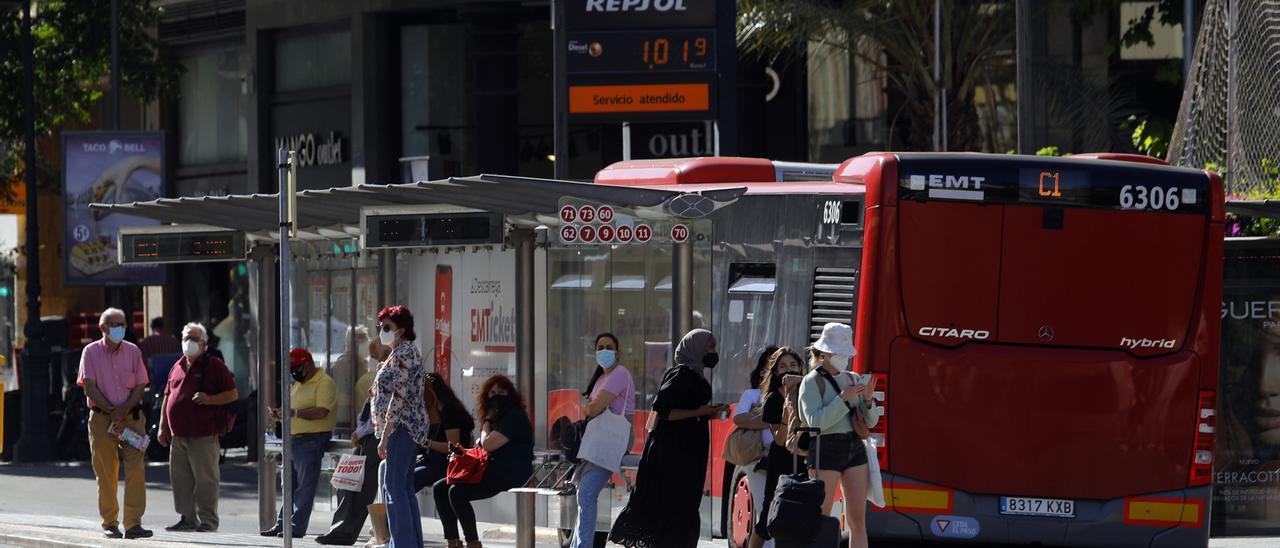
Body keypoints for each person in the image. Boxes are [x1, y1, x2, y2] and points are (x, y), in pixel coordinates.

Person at [609, 329, 727, 548]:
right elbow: (663, 411)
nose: (713, 351)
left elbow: (685, 410)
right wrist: (699, 412)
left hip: (689, 451)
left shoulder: (696, 375)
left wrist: (707, 413)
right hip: (674, 454)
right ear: (696, 347)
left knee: (685, 507)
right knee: (676, 507)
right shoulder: (681, 374)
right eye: (709, 346)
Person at [77, 308, 154, 539]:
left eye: (123, 323)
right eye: (115, 324)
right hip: (102, 418)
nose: (121, 328)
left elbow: (141, 385)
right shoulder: (90, 352)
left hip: (132, 419)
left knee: (136, 469)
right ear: (103, 328)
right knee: (106, 472)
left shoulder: (133, 351)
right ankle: (110, 523)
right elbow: (89, 386)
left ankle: (133, 524)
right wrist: (113, 411)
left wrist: (124, 410)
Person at [799, 323, 876, 548]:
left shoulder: (853, 378)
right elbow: (815, 422)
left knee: (857, 519)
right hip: (825, 447)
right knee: (821, 517)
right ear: (824, 353)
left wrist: (869, 401)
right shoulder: (811, 381)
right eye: (839, 354)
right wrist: (842, 399)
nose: (844, 358)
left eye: (846, 354)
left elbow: (870, 422)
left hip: (854, 445)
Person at [155, 323, 238, 532]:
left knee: (206, 479)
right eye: (185, 338)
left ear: (204, 344)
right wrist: (162, 427)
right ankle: (187, 519)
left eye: (193, 339)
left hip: (203, 433)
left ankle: (208, 521)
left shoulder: (214, 365)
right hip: (178, 435)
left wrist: (210, 399)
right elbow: (168, 397)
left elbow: (232, 393)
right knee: (181, 479)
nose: (188, 343)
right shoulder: (177, 365)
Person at [434, 374, 533, 548]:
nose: (496, 396)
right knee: (440, 488)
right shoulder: (500, 418)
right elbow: (482, 443)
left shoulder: (514, 416)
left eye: (502, 391)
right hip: (491, 469)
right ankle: (453, 541)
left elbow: (487, 444)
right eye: (492, 392)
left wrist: (486, 421)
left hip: (510, 472)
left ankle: (473, 542)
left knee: (457, 492)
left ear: (510, 394)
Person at [315, 340, 392, 546]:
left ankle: (345, 531)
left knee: (359, 487)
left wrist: (362, 431)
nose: (375, 360)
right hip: (367, 438)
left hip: (376, 438)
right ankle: (340, 528)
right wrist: (360, 431)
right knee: (346, 483)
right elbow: (369, 412)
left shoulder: (391, 375)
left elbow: (383, 414)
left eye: (377, 354)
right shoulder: (379, 376)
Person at [261, 348, 338, 538]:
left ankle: (296, 526)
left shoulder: (324, 382)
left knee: (304, 487)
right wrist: (280, 414)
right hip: (293, 440)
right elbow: (293, 410)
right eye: (292, 369)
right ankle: (282, 524)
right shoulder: (298, 384)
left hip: (311, 440)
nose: (294, 372)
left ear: (308, 364)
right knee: (288, 485)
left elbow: (322, 412)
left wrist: (294, 413)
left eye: (297, 368)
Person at [372, 306, 432, 548]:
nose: (382, 332)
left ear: (401, 330)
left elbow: (399, 396)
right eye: (381, 327)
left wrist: (385, 435)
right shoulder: (401, 353)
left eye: (387, 327)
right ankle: (409, 543)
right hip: (406, 427)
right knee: (403, 488)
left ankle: (402, 544)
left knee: (394, 488)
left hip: (401, 428)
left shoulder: (403, 353)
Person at [571, 333, 636, 548]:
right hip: (600, 440)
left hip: (611, 440)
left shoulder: (619, 374)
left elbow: (594, 407)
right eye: (600, 347)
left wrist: (591, 406)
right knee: (583, 494)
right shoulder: (601, 377)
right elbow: (592, 406)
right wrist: (592, 405)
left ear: (617, 352)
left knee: (586, 493)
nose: (604, 350)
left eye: (609, 347)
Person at [749, 347, 805, 548]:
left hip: (805, 458)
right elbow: (780, 440)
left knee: (801, 515)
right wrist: (787, 407)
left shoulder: (809, 391)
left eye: (793, 365)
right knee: (768, 516)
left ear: (800, 367)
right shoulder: (773, 399)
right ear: (775, 373)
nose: (789, 370)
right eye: (782, 366)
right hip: (781, 459)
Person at [732, 345, 779, 547]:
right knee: (764, 508)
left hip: (785, 458)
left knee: (781, 509)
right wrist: (770, 420)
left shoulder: (792, 395)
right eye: (768, 367)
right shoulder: (752, 394)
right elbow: (739, 418)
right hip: (758, 459)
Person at [413, 372, 475, 492]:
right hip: (433, 460)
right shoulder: (432, 412)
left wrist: (427, 443)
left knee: (409, 479)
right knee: (392, 473)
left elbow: (454, 447)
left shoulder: (450, 411)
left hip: (448, 462)